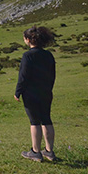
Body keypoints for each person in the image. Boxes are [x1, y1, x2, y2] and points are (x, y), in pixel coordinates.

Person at [14, 26, 56, 162]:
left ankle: (35, 152)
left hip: (31, 93)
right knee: (47, 120)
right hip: (46, 92)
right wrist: (48, 89)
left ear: (28, 40)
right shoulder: (48, 55)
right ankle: (49, 151)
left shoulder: (28, 55)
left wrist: (18, 92)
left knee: (34, 122)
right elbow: (52, 75)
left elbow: (23, 76)